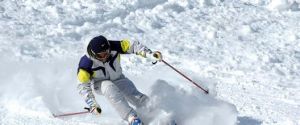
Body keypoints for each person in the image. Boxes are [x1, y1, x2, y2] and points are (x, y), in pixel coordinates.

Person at [76, 35, 162, 125]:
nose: (105, 56)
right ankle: (132, 118)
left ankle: (158, 114)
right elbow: (82, 86)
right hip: (99, 84)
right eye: (101, 55)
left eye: (107, 52)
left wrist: (149, 54)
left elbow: (133, 45)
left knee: (134, 94)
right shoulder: (86, 63)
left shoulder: (113, 46)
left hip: (117, 78)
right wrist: (92, 104)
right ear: (94, 54)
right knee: (110, 88)